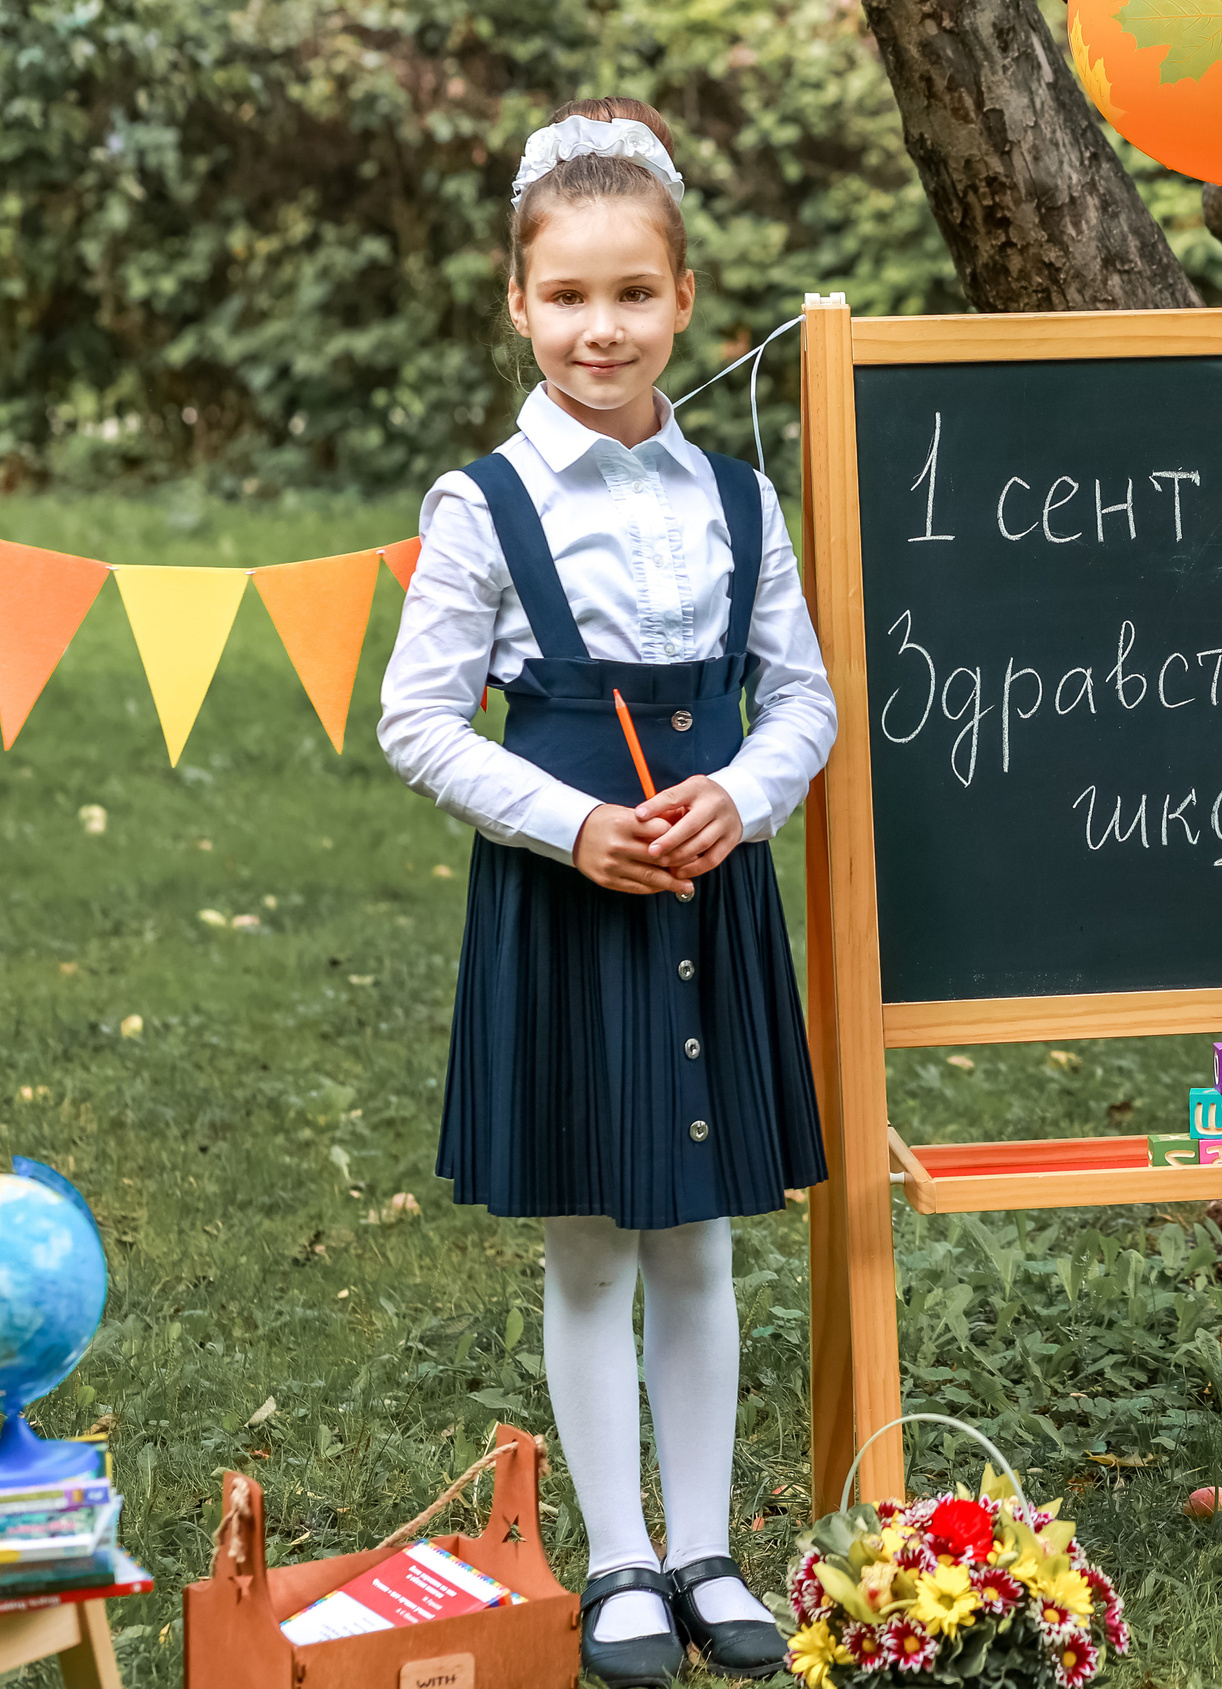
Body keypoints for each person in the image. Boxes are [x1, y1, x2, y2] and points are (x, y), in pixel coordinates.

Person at [378, 97, 834, 1688]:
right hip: (574, 902)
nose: (600, 327)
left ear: (683, 299)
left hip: (707, 894)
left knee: (699, 1235)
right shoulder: (482, 506)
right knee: (591, 1240)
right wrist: (574, 826)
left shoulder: (738, 503)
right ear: (518, 301)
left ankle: (705, 1548)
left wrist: (744, 795)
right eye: (566, 295)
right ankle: (619, 1557)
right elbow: (416, 721)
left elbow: (805, 701)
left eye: (632, 293)